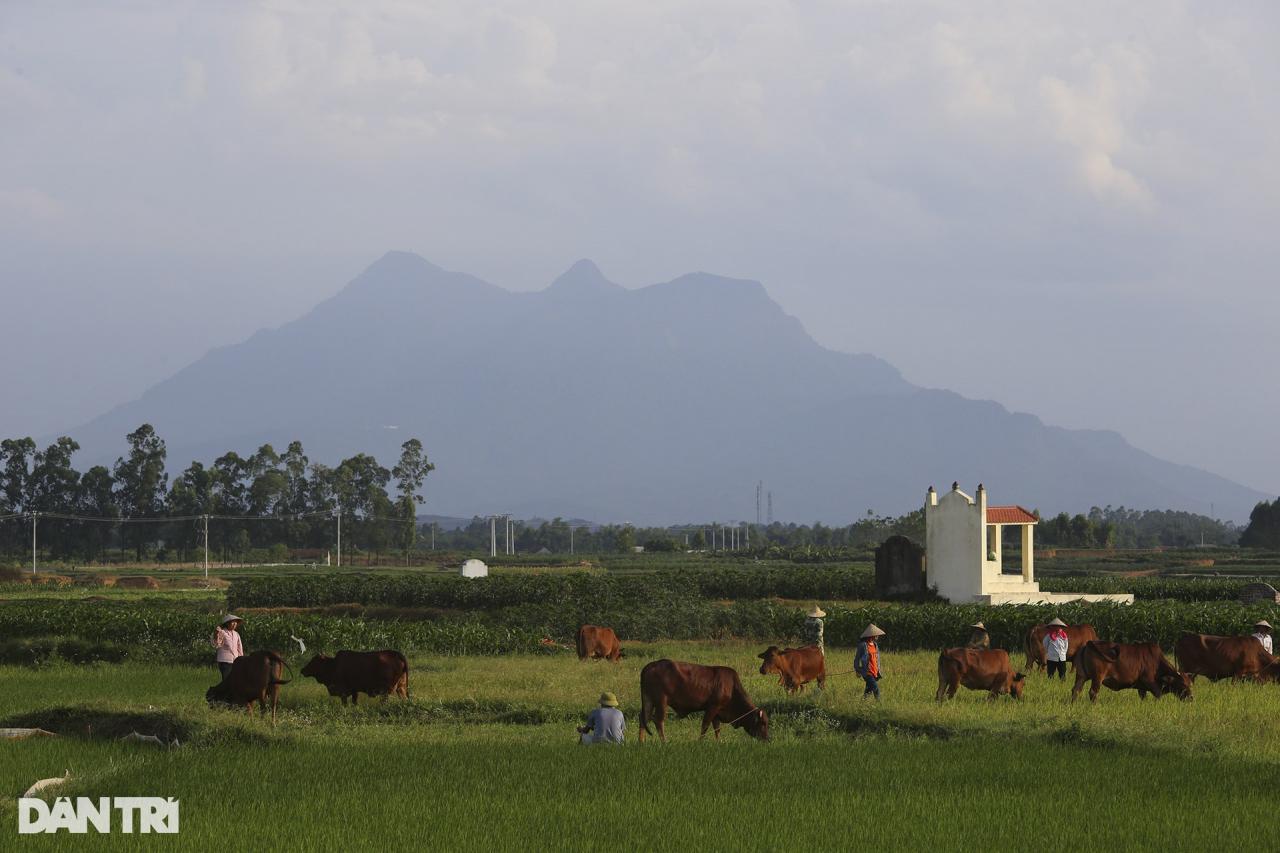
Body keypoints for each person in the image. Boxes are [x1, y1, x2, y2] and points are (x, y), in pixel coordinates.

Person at [854, 624, 885, 701]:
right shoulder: (863, 645)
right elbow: (857, 659)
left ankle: (862, 704)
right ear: (871, 635)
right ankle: (880, 705)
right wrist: (857, 670)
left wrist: (878, 671)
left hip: (875, 672)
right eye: (876, 634)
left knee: (868, 691)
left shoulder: (875, 645)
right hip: (867, 672)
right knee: (876, 689)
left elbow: (876, 659)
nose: (877, 635)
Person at [212, 615, 244, 679]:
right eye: (233, 622)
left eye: (236, 622)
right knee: (226, 680)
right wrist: (216, 634)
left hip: (235, 661)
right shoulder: (222, 632)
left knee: (234, 680)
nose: (235, 624)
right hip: (225, 661)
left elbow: (239, 648)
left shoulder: (236, 634)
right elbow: (217, 644)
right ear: (227, 623)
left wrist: (241, 659)